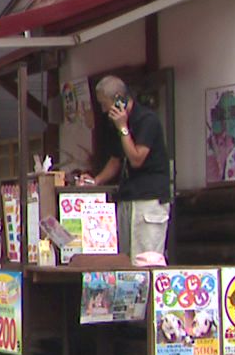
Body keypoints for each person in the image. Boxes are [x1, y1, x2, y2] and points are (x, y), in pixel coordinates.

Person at [74, 75, 172, 265]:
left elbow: (136, 158)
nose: (103, 109)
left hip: (149, 198)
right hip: (128, 196)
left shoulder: (147, 120)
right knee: (125, 260)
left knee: (145, 261)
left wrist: (123, 128)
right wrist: (96, 180)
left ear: (119, 98)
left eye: (105, 103)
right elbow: (116, 160)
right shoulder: (116, 124)